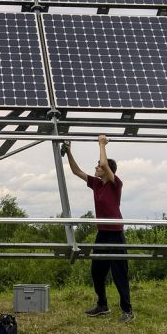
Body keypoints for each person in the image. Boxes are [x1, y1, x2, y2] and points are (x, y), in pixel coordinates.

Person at [63, 134, 134, 323]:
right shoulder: (96, 184)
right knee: (97, 271)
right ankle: (102, 305)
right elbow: (75, 171)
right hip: (102, 233)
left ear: (107, 170)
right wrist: (69, 151)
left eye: (98, 166)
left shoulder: (115, 184)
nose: (96, 167)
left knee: (119, 273)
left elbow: (103, 163)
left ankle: (127, 310)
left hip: (116, 234)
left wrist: (101, 144)